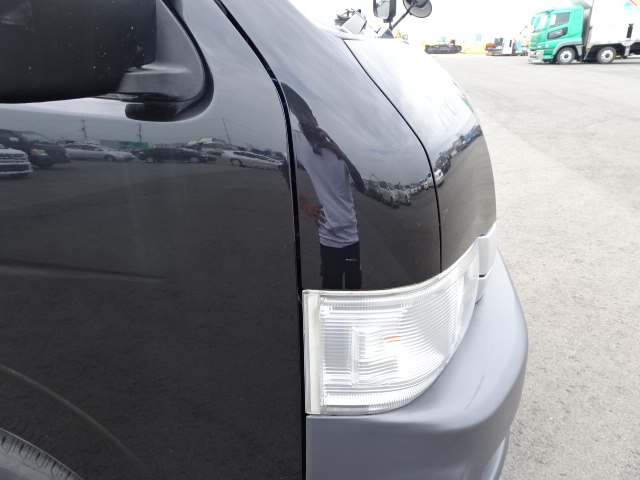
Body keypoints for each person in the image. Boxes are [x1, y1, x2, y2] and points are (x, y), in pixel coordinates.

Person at [281, 84, 365, 290]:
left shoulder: (338, 149)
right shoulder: (298, 142)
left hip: (351, 236)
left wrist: (342, 154)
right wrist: (304, 204)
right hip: (328, 237)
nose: (305, 120)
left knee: (354, 287)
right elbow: (284, 170)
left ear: (317, 120)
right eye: (300, 116)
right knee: (330, 286)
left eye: (308, 116)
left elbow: (361, 185)